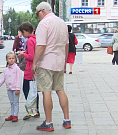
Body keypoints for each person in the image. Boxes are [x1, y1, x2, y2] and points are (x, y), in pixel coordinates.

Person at [32, 2, 71, 131]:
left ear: (42, 11)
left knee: (46, 91)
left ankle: (48, 123)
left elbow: (41, 45)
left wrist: (34, 62)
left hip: (46, 62)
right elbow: (66, 45)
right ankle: (67, 120)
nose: (38, 17)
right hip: (59, 61)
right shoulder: (62, 23)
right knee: (60, 89)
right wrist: (64, 62)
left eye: (38, 14)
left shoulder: (44, 24)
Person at [17, 22, 40, 120]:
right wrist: (25, 52)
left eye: (23, 32)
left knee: (27, 90)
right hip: (35, 68)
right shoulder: (35, 39)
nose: (22, 35)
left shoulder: (30, 40)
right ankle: (36, 110)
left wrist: (23, 55)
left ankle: (31, 110)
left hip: (30, 69)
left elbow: (31, 56)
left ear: (27, 31)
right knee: (34, 91)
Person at [0, 52, 22, 122]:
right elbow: (3, 79)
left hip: (15, 88)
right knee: (11, 102)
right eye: (9, 58)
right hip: (9, 88)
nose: (11, 60)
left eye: (13, 58)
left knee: (16, 102)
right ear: (6, 60)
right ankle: (12, 114)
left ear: (15, 59)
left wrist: (18, 88)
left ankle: (15, 115)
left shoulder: (17, 69)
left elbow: (18, 79)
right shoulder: (6, 70)